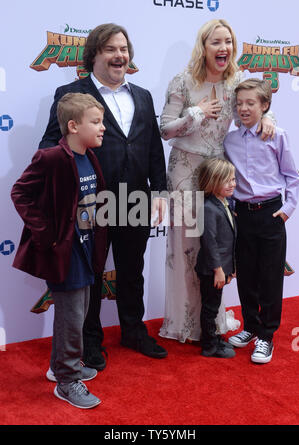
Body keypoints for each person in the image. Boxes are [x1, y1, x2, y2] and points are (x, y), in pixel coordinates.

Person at [39, 23, 168, 368]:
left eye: (124, 49)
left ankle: (133, 331)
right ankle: (90, 340)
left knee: (132, 269)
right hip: (90, 202)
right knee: (91, 275)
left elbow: (154, 147)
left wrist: (160, 191)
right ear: (94, 54)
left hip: (136, 199)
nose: (119, 56)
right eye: (110, 49)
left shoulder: (142, 95)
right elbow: (50, 144)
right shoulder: (71, 93)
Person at [159, 18, 275, 343]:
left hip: (218, 173)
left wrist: (268, 119)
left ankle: (211, 324)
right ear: (204, 47)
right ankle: (185, 324)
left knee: (217, 249)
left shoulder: (236, 80)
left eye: (228, 42)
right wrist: (195, 114)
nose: (223, 48)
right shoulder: (182, 81)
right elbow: (164, 129)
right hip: (184, 171)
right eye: (216, 42)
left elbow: (252, 109)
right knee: (187, 249)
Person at [11, 92, 107, 408]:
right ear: (73, 126)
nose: (102, 128)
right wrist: (47, 234)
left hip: (86, 250)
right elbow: (20, 193)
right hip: (64, 253)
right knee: (71, 317)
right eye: (96, 122)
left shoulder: (90, 157)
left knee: (74, 317)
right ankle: (67, 382)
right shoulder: (50, 157)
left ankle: (60, 368)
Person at [224, 78, 299, 363]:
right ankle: (251, 327)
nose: (244, 108)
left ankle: (266, 336)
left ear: (265, 106)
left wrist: (289, 208)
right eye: (240, 103)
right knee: (246, 275)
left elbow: (292, 176)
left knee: (270, 277)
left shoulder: (277, 135)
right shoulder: (229, 140)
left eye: (251, 103)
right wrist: (231, 206)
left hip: (271, 213)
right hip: (242, 215)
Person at [195, 158, 237, 358]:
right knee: (210, 308)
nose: (233, 184)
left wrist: (230, 268)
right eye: (227, 180)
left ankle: (213, 338)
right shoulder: (208, 208)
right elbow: (209, 243)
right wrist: (218, 270)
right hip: (211, 269)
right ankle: (209, 345)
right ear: (212, 182)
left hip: (221, 267)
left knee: (214, 305)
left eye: (233, 179)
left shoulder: (224, 203)